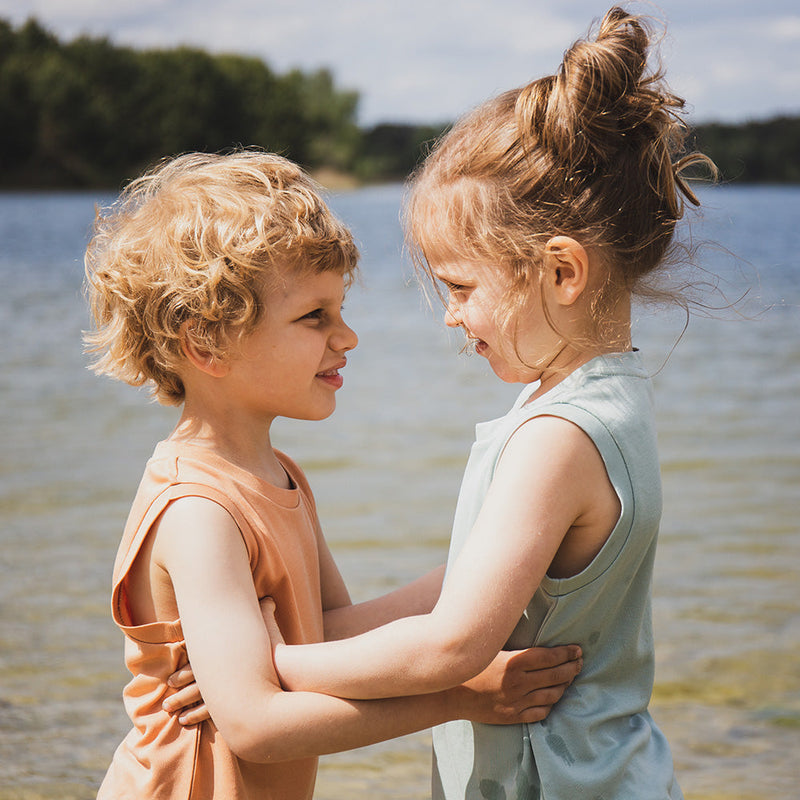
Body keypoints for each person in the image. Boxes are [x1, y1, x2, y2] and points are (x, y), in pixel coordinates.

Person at [231, 7, 714, 799]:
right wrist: (295, 639)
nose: (451, 316)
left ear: (561, 272)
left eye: (460, 288)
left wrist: (272, 669)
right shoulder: (602, 401)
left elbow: (453, 645)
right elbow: (478, 585)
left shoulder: (558, 437)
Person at [83, 150, 582, 799]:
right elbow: (255, 726)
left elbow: (329, 634)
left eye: (340, 310)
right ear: (207, 342)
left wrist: (477, 574)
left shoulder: (278, 474)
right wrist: (458, 695)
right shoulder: (198, 512)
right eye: (314, 316)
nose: (347, 337)